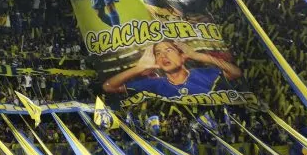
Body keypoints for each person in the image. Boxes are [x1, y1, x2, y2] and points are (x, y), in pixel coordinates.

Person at [102, 40, 242, 97]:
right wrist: (138, 68)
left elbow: (236, 72)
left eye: (168, 50)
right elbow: (109, 87)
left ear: (182, 57)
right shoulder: (153, 84)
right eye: (158, 53)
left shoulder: (203, 74)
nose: (163, 55)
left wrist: (197, 56)